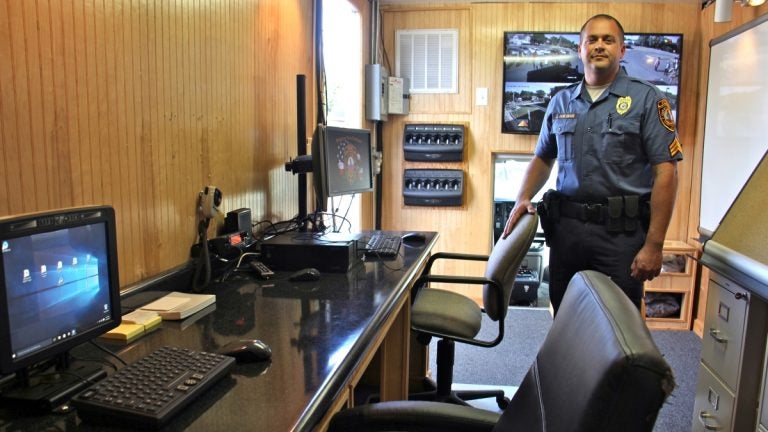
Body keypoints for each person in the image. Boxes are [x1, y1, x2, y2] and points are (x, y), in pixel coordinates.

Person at [501, 14, 682, 315]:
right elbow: (543, 157)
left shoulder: (648, 99)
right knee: (566, 314)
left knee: (621, 324)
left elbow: (667, 171)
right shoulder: (561, 101)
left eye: (608, 40)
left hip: (621, 236)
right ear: (580, 49)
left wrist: (654, 245)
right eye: (592, 40)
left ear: (622, 50)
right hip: (568, 232)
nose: (599, 46)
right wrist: (522, 197)